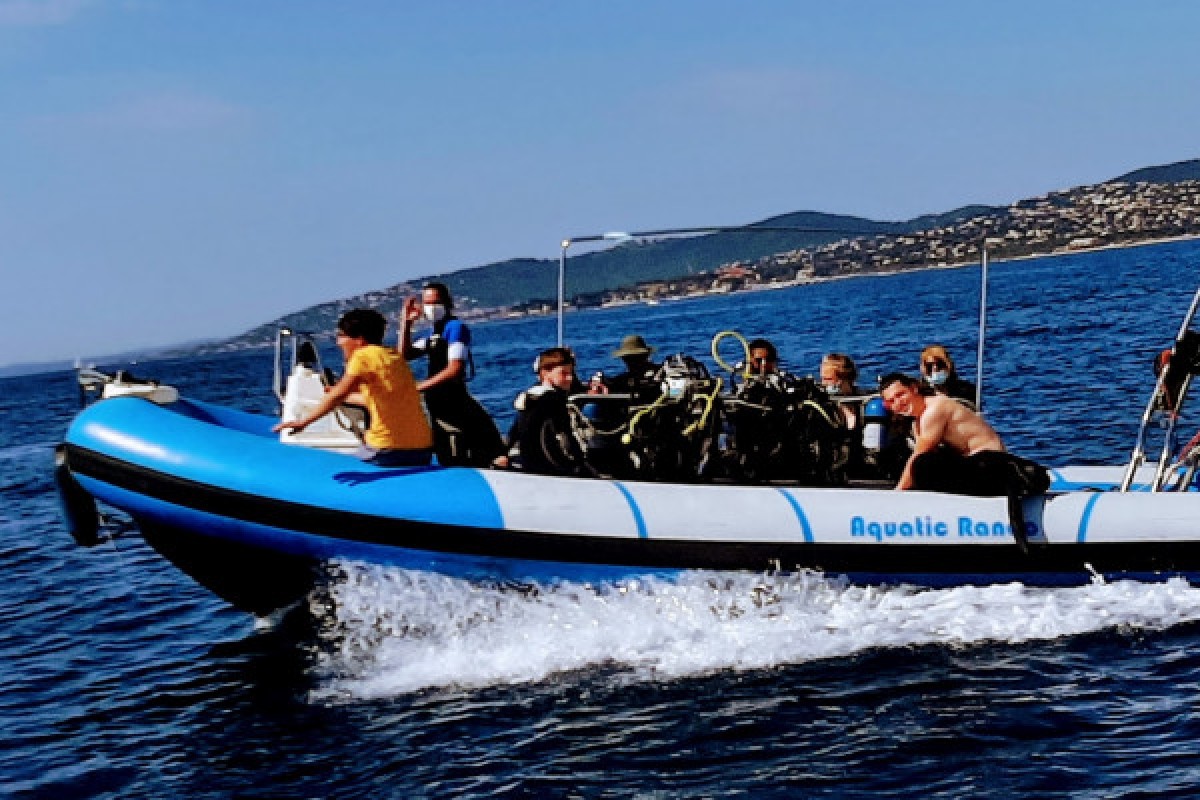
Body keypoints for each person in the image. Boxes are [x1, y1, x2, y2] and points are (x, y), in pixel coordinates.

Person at [273, 309, 433, 466]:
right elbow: (378, 399)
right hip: (422, 450)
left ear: (359, 339)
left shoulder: (362, 356)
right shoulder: (394, 357)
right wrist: (343, 394)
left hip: (387, 450)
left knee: (331, 466)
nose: (338, 342)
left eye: (341, 335)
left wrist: (303, 423)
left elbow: (338, 395)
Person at [880, 372, 1045, 495]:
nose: (898, 403)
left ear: (914, 389)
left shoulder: (934, 410)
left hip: (990, 466)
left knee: (922, 463)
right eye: (891, 401)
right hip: (974, 464)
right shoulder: (918, 421)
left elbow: (919, 455)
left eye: (901, 395)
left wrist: (898, 492)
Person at [400, 282, 505, 466]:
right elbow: (404, 355)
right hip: (437, 402)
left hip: (453, 399)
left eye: (436, 302)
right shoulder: (434, 333)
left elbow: (455, 368)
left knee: (480, 446)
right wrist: (406, 323)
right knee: (446, 448)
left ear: (447, 303)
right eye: (427, 303)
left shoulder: (454, 328)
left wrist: (420, 386)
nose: (431, 308)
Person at [497, 347, 595, 477]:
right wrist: (582, 466)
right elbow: (567, 436)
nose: (570, 378)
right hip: (548, 467)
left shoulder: (530, 396)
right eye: (564, 373)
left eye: (571, 373)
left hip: (528, 464)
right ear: (545, 373)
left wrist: (503, 454)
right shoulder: (553, 400)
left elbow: (514, 432)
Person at [592, 334, 662, 403]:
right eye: (627, 358)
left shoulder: (659, 373)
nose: (629, 362)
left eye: (633, 358)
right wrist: (603, 381)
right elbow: (615, 383)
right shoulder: (625, 379)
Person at [820, 352, 862, 429]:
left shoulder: (863, 403)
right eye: (822, 379)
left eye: (828, 379)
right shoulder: (824, 408)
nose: (823, 383)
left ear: (844, 378)